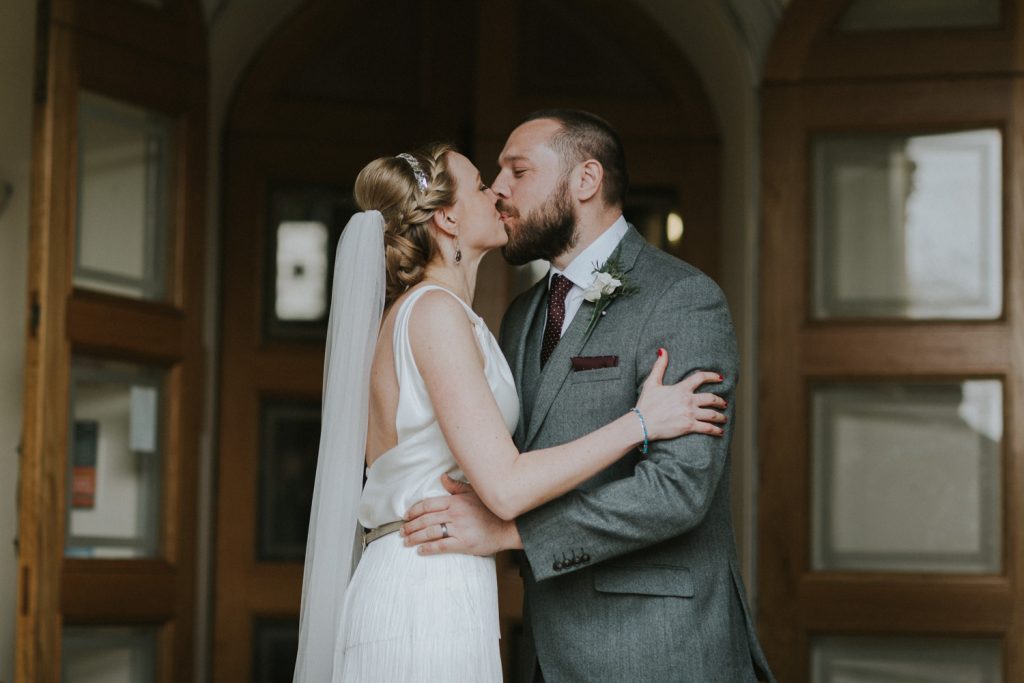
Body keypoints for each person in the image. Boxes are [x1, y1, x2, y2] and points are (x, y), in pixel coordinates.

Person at [291, 142, 729, 682]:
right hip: (425, 587)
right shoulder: (433, 314)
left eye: (510, 174)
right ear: (448, 216)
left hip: (433, 571)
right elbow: (505, 486)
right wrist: (641, 423)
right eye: (480, 183)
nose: (496, 191)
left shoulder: (452, 316)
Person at [402, 111, 776, 682]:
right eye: (496, 174)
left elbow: (678, 490)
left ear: (585, 180)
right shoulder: (523, 316)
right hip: (549, 649)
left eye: (517, 170)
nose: (498, 188)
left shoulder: (683, 299)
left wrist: (510, 533)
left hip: (659, 650)